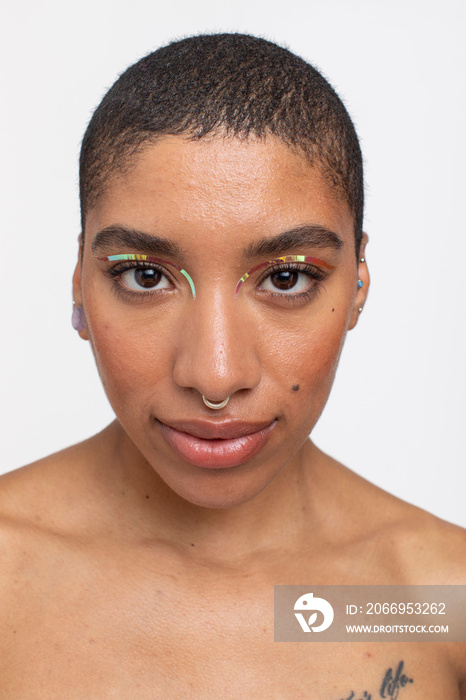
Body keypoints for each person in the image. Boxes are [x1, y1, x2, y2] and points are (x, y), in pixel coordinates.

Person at [0, 32, 465, 698]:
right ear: (79, 280)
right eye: (143, 275)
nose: (215, 377)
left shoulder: (441, 603)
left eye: (284, 278)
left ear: (358, 283)